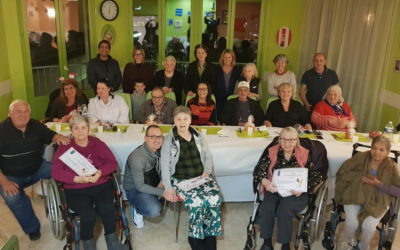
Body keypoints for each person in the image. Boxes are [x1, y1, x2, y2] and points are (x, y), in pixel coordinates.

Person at [52, 115, 128, 250]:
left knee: (107, 208)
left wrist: (100, 172)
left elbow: (112, 163)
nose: (80, 131)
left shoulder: (97, 143)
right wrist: (77, 179)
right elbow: (56, 172)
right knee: (88, 214)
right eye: (76, 128)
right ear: (71, 130)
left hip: (100, 184)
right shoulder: (65, 146)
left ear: (88, 129)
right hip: (75, 188)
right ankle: (88, 245)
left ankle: (112, 242)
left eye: (83, 127)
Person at [0, 100, 69, 241]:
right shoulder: (1, 131)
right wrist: (4, 181)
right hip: (11, 175)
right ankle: (32, 228)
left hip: (38, 168)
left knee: (65, 174)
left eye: (26, 111)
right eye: (18, 111)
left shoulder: (36, 125)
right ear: (10, 114)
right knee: (12, 197)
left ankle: (69, 212)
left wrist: (58, 137)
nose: (23, 114)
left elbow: (51, 135)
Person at [253, 127, 326, 250]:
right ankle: (267, 242)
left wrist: (303, 188)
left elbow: (316, 176)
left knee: (284, 209)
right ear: (279, 139)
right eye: (283, 139)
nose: (287, 143)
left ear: (296, 140)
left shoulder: (304, 154)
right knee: (266, 208)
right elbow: (259, 170)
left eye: (291, 140)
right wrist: (265, 182)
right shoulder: (272, 152)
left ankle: (285, 244)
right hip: (275, 189)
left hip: (296, 192)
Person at [160, 106, 222, 250]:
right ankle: (194, 236)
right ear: (174, 121)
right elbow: (164, 165)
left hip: (201, 177)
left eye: (185, 119)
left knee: (215, 198)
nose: (182, 122)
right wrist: (168, 188)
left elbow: (208, 157)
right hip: (181, 180)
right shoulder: (169, 139)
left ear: (190, 120)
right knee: (197, 202)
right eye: (179, 119)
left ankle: (210, 233)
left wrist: (207, 171)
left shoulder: (198, 136)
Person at [335, 136, 400, 250]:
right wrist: (359, 177)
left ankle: (363, 246)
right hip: (354, 193)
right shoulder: (360, 157)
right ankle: (346, 242)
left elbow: (398, 191)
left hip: (378, 201)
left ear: (387, 152)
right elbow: (343, 173)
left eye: (381, 150)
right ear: (370, 148)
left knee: (369, 226)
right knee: (351, 223)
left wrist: (378, 184)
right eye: (374, 148)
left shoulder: (391, 167)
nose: (376, 153)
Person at [123, 125, 167, 228]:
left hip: (152, 180)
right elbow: (140, 186)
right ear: (145, 138)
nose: (157, 140)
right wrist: (163, 193)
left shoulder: (160, 149)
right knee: (154, 209)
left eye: (160, 137)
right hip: (135, 188)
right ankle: (137, 208)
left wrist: (163, 180)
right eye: (153, 137)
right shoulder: (138, 158)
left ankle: (154, 197)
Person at [215, 49, 242, 120]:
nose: (227, 59)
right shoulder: (217, 69)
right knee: (220, 117)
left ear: (232, 58)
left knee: (231, 117)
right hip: (219, 98)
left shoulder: (237, 70)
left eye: (229, 57)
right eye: (225, 57)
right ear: (222, 58)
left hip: (232, 97)